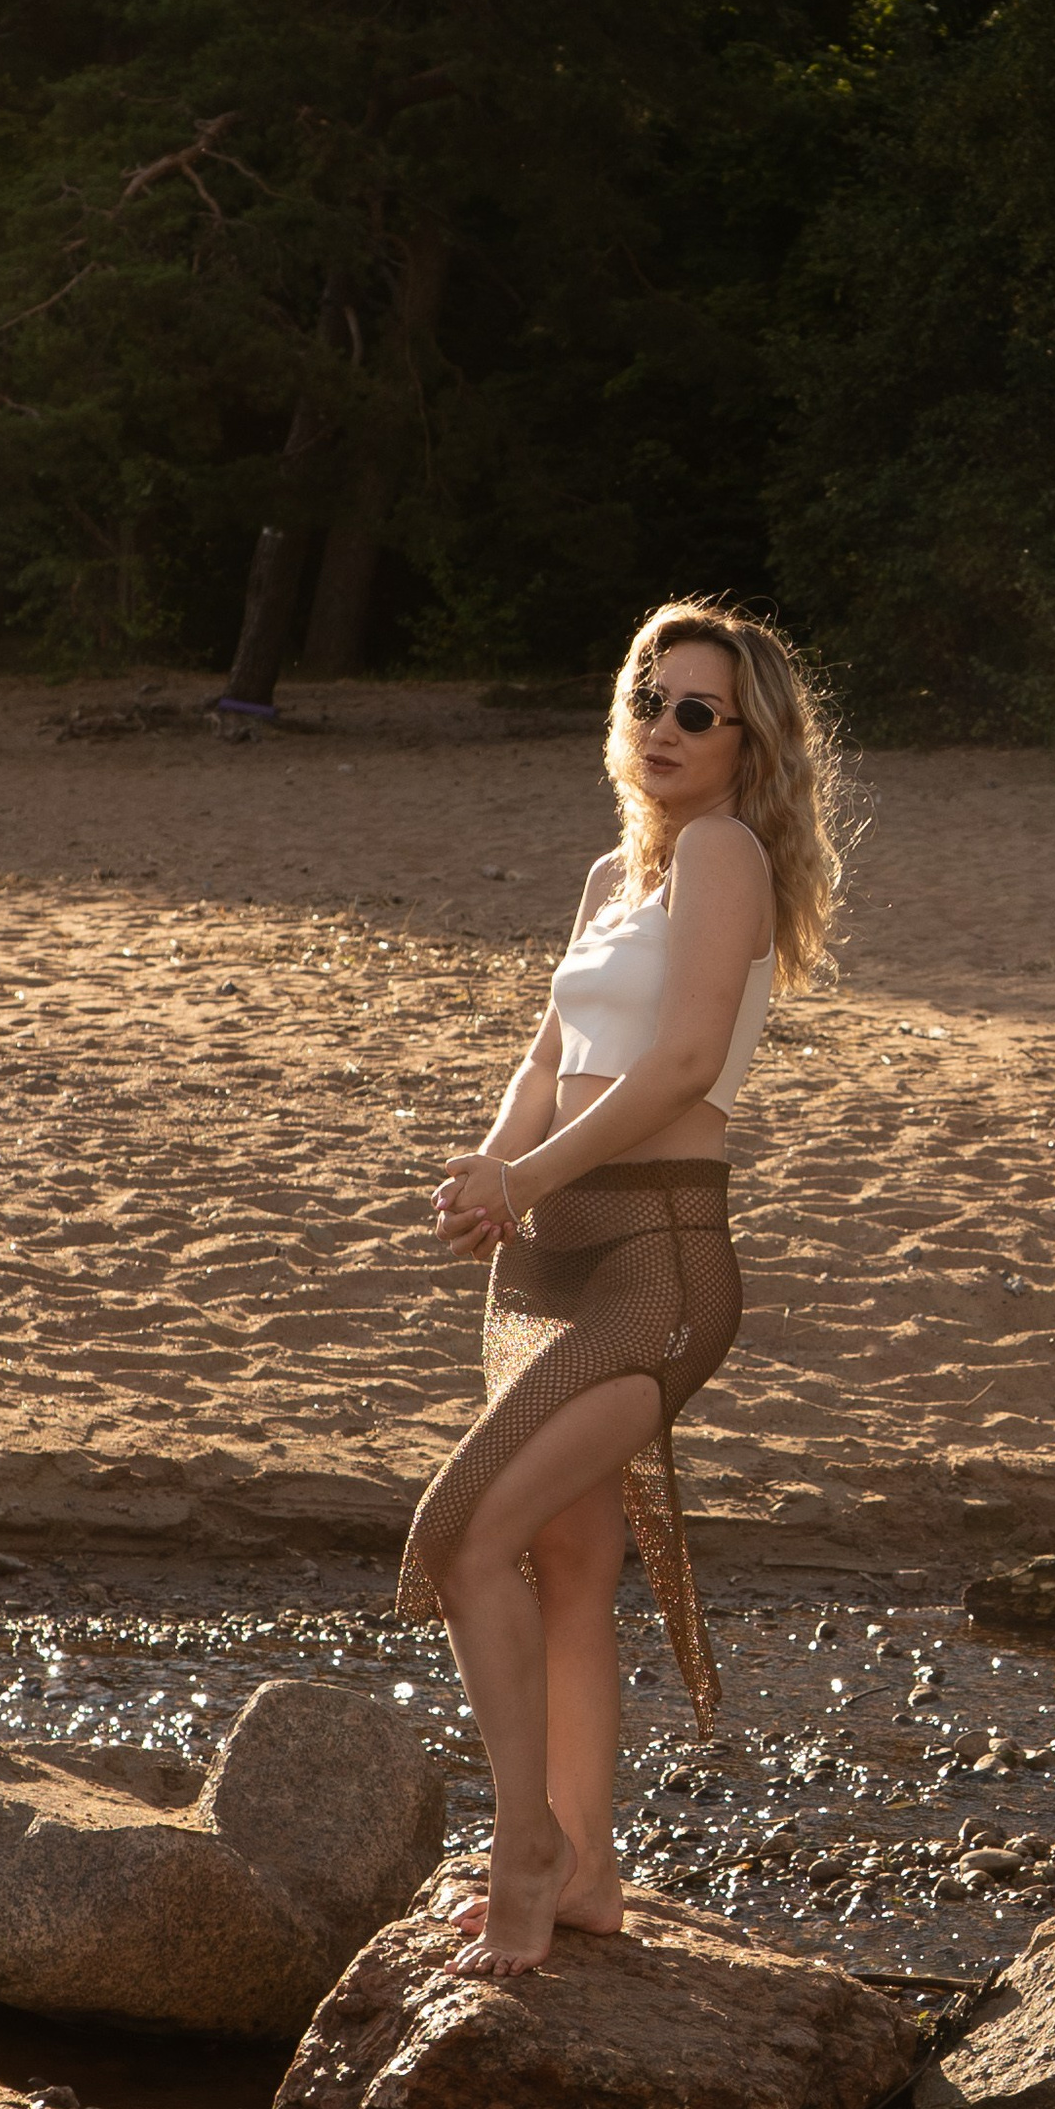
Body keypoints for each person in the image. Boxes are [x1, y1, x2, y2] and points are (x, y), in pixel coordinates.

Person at [402, 600, 843, 1973]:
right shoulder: (614, 875)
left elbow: (676, 1068)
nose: (663, 728)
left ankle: (524, 1849)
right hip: (540, 1257)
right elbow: (550, 1056)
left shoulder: (725, 856)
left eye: (697, 712)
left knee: (459, 1535)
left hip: (654, 1258)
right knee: (566, 1563)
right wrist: (492, 1161)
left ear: (746, 742)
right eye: (650, 700)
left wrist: (524, 1180)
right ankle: (589, 1868)